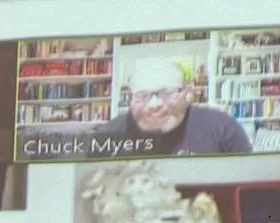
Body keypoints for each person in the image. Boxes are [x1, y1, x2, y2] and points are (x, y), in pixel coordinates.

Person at [95, 58, 252, 157]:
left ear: (187, 93)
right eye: (142, 95)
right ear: (130, 98)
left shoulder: (222, 128)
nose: (154, 104)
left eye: (167, 92)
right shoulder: (109, 134)